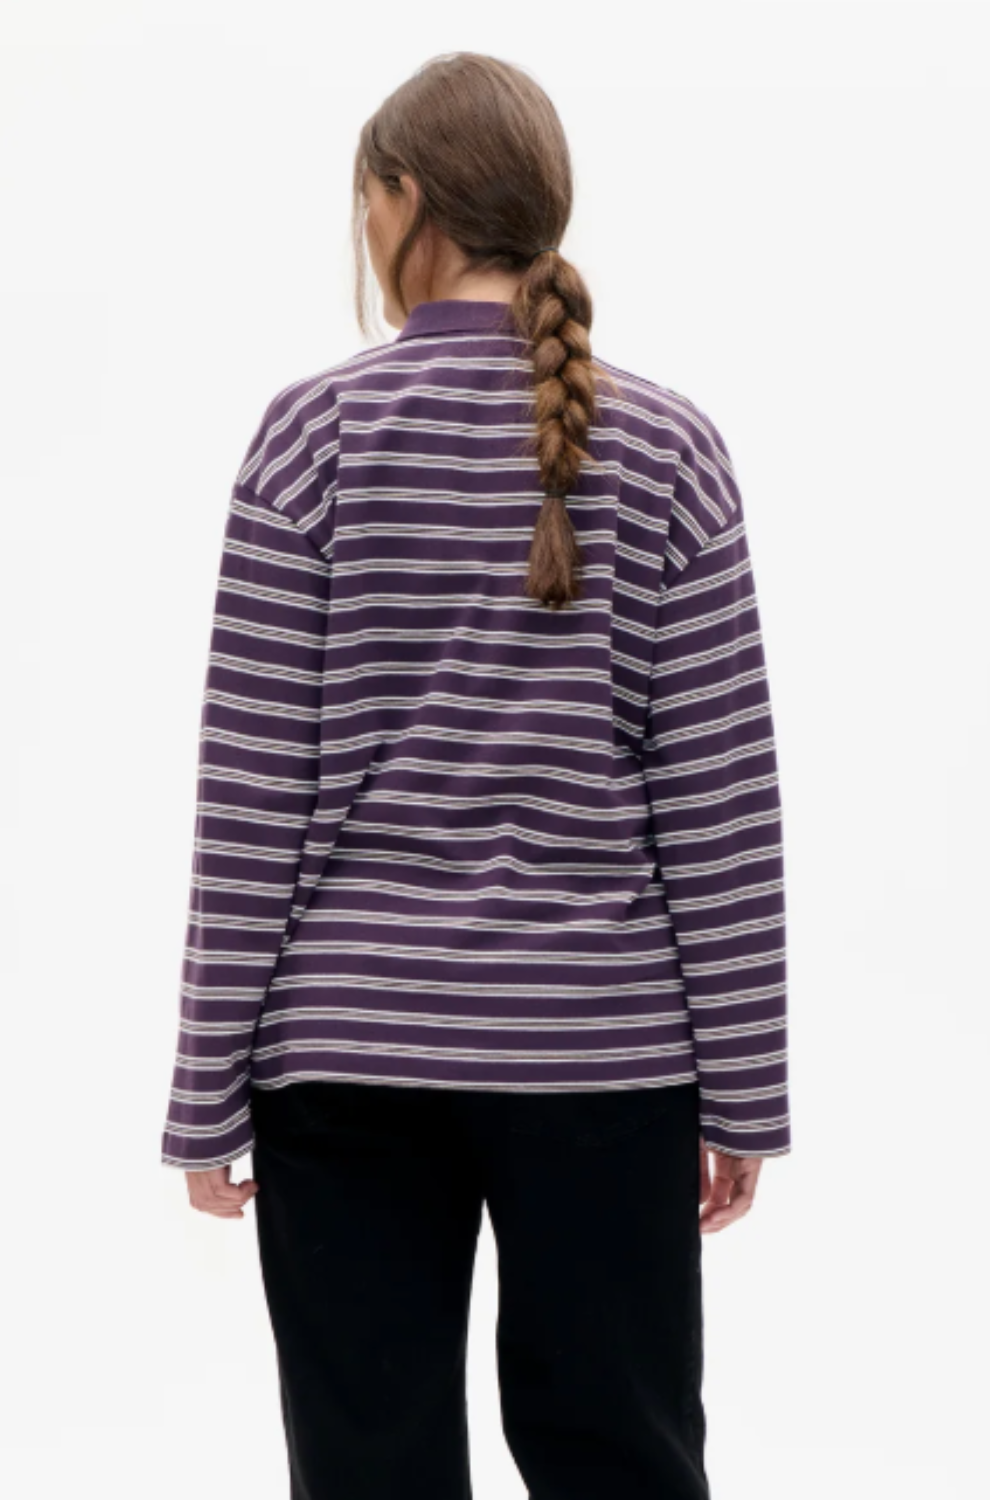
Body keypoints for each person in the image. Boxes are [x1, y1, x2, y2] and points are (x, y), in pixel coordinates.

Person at [160, 50, 791, 1500]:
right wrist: (743, 1091)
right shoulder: (675, 451)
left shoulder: (314, 438)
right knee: (622, 1464)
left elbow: (252, 796)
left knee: (367, 1472)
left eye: (365, 205)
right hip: (605, 1060)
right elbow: (720, 808)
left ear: (407, 201)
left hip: (349, 1058)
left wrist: (205, 1091)